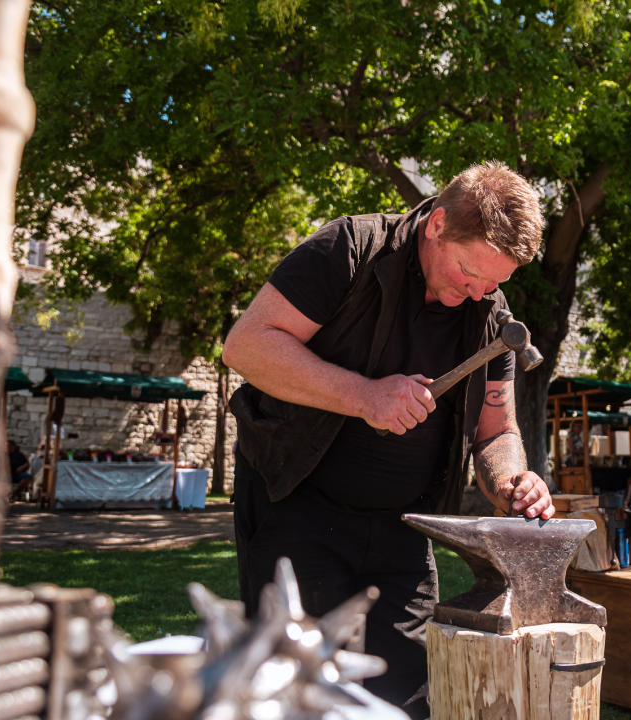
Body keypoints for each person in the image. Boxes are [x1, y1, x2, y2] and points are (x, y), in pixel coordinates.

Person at [222, 161, 554, 719]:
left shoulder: (490, 317)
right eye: (470, 271)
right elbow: (247, 346)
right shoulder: (350, 250)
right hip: (297, 508)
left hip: (404, 529)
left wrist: (511, 481)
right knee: (297, 695)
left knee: (406, 700)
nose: (480, 292)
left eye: (496, 282)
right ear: (437, 225)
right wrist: (364, 395)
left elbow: (497, 431)